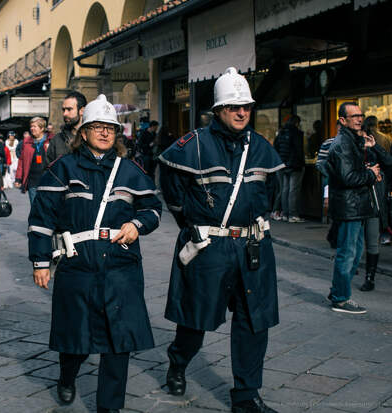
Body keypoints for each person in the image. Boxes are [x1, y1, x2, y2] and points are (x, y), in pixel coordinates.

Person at [159, 67, 284, 413]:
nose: (241, 112)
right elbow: (172, 189)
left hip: (252, 248)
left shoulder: (261, 148)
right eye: (233, 106)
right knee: (195, 320)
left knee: (253, 323)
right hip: (209, 248)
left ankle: (246, 396)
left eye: (245, 105)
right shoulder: (193, 145)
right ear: (218, 110)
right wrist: (195, 223)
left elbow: (270, 194)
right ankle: (178, 361)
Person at [28, 94, 162, 413]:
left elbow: (154, 209)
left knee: (119, 342)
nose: (104, 133)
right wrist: (41, 262)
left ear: (117, 134)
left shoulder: (131, 171)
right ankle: (67, 377)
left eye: (110, 128)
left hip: (121, 266)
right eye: (97, 127)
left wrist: (138, 224)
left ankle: (109, 408)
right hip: (78, 266)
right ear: (84, 132)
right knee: (75, 337)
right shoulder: (64, 167)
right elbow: (42, 216)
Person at [325, 102, 381, 314]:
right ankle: (340, 298)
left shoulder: (352, 140)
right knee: (348, 253)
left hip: (355, 205)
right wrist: (370, 174)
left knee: (355, 252)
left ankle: (338, 290)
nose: (359, 119)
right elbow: (348, 177)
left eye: (361, 115)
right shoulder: (342, 143)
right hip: (349, 206)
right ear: (342, 120)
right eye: (354, 116)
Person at [358, 125, 392, 292]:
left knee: (372, 242)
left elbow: (390, 162)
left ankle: (370, 278)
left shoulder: (374, 152)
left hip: (372, 204)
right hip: (354, 205)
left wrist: (375, 147)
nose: (362, 140)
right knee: (353, 243)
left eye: (364, 137)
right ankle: (348, 274)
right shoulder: (350, 152)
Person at [273, 115, 305, 222]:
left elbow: (276, 147)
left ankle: (285, 214)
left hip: (283, 164)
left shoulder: (281, 132)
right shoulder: (296, 133)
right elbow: (298, 150)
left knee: (285, 189)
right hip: (294, 164)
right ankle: (293, 214)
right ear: (297, 123)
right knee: (293, 190)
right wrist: (301, 162)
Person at [316, 122, 341, 249]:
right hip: (332, 181)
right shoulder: (329, 143)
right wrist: (330, 175)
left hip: (340, 182)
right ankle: (334, 236)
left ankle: (334, 235)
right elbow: (320, 163)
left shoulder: (352, 143)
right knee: (334, 209)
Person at [15, 117, 51, 204]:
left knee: (46, 207)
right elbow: (21, 161)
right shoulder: (27, 142)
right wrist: (18, 178)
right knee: (34, 207)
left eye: (34, 126)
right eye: (31, 126)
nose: (32, 129)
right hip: (32, 180)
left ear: (42, 128)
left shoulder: (50, 141)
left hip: (47, 180)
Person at [46, 91, 87, 164]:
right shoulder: (56, 140)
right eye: (63, 110)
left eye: (69, 109)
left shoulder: (91, 138)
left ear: (82, 111)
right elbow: (48, 169)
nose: (65, 114)